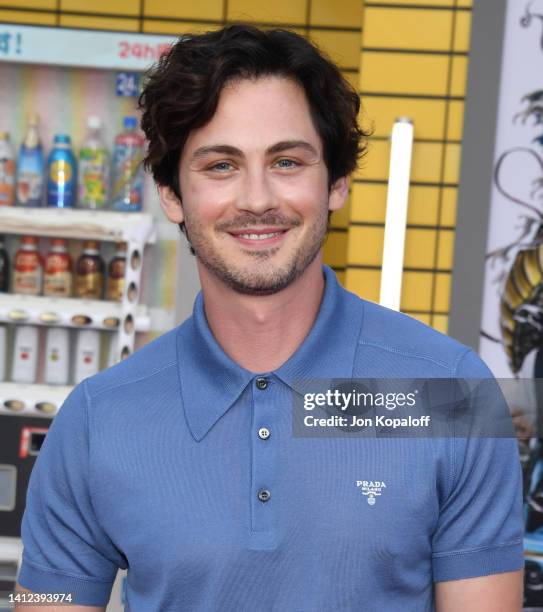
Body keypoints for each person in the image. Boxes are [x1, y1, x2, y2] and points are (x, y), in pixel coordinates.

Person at [15, 24, 524, 611]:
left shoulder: (450, 393)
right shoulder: (97, 419)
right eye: (220, 166)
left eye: (286, 161)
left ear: (336, 182)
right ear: (171, 194)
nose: (257, 199)